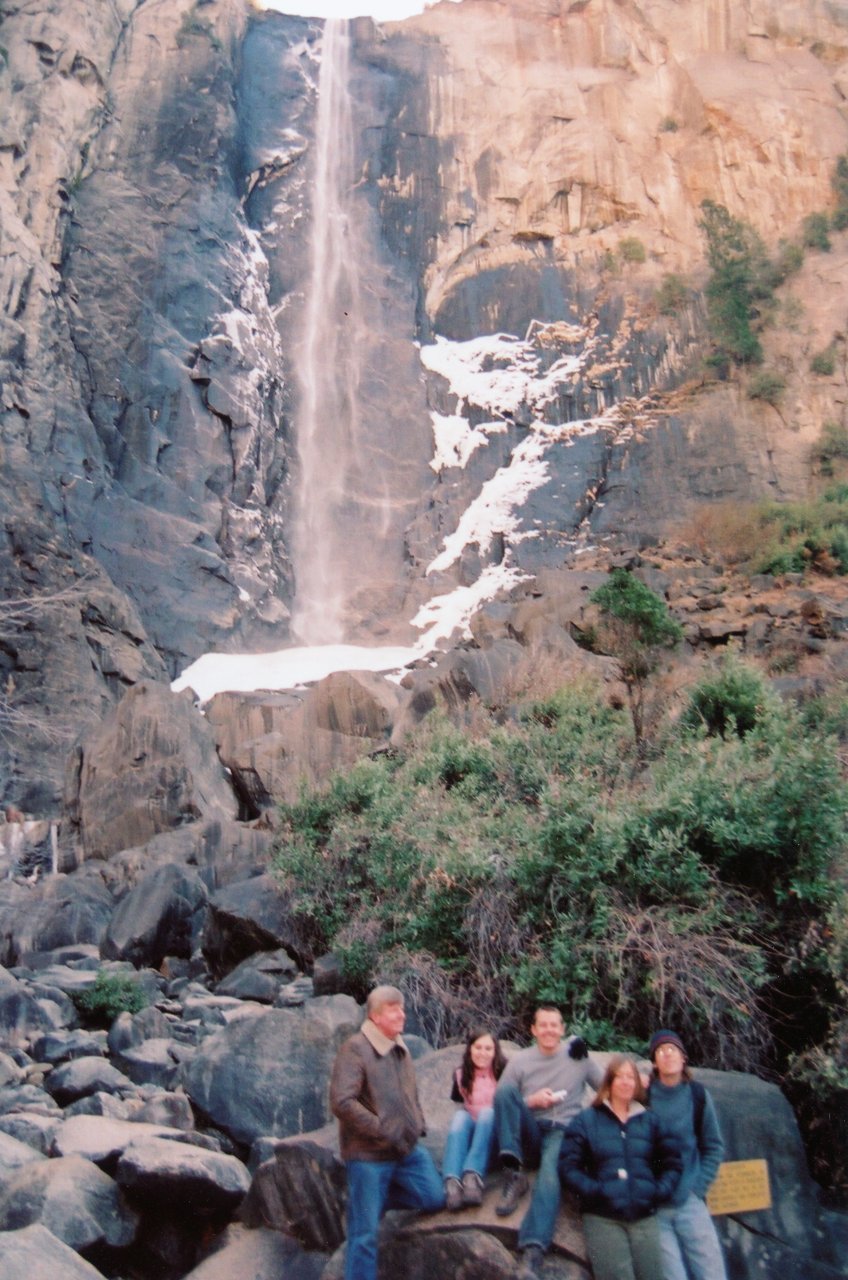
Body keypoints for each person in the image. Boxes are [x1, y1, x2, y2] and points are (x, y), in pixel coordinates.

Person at [330, 985, 445, 1280]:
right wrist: (380, 1129)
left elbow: (410, 1092)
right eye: (395, 1010)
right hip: (369, 1155)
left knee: (434, 1197)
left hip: (405, 1150)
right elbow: (342, 1101)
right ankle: (365, 1204)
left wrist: (417, 1122)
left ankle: (368, 1200)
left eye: (402, 1009)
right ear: (376, 1016)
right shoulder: (355, 1048)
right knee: (364, 1235)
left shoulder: (399, 1046)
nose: (402, 1015)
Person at [493, 1005, 604, 1279]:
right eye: (543, 1025)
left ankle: (531, 1251)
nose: (549, 1030)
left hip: (562, 1131)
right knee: (507, 1090)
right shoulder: (520, 1061)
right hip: (531, 1129)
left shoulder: (577, 1056)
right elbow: (501, 1099)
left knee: (550, 1178)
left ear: (562, 1029)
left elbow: (606, 1087)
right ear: (533, 1030)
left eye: (554, 1025)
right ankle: (513, 1171)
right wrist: (531, 1102)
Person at [559, 1055, 682, 1280]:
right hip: (603, 1218)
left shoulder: (650, 1121)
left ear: (636, 1083)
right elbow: (568, 1167)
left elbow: (673, 1163)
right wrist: (595, 1191)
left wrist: (657, 1191)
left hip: (644, 1217)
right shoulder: (587, 1120)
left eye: (630, 1077)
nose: (625, 1082)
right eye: (619, 1077)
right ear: (609, 1082)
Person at [646, 1030, 728, 1280]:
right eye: (660, 1051)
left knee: (711, 1273)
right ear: (654, 1062)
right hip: (654, 1208)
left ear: (683, 1058)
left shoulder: (697, 1095)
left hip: (690, 1202)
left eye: (672, 1049)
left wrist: (697, 1188)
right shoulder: (643, 1096)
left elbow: (713, 1146)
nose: (667, 1054)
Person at [442, 1027, 507, 1210]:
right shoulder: (461, 1074)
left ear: (495, 1051)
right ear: (470, 1049)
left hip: (495, 1141)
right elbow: (459, 1102)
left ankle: (473, 1177)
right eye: (478, 1048)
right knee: (460, 1116)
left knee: (488, 1112)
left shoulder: (504, 1071)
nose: (482, 1053)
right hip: (473, 1141)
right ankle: (452, 1181)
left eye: (488, 1048)